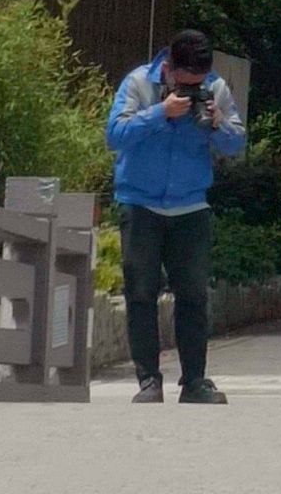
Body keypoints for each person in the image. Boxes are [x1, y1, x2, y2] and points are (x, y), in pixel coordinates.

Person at [105, 27, 246, 403]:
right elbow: (114, 135)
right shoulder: (138, 84)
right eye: (185, 84)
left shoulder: (215, 89)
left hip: (190, 207)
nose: (191, 91)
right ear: (168, 68)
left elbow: (237, 142)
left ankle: (195, 381)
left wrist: (215, 122)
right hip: (140, 203)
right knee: (140, 294)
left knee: (193, 296)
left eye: (197, 84)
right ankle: (149, 381)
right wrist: (159, 114)